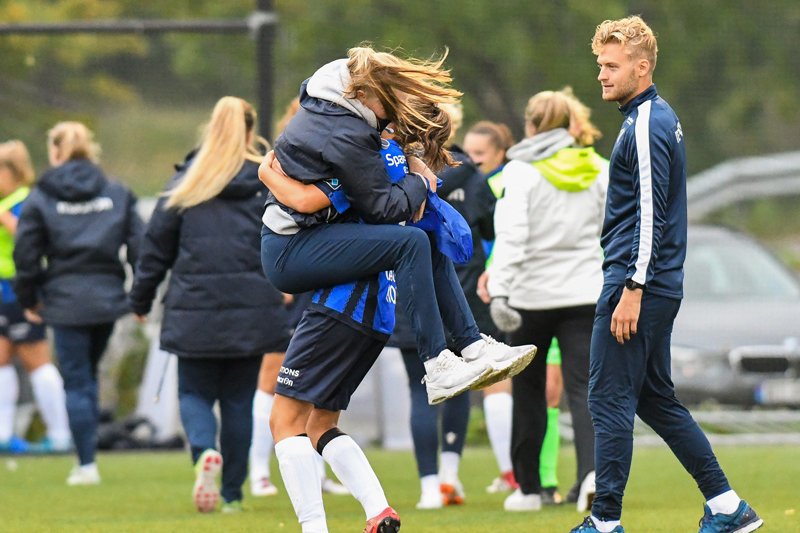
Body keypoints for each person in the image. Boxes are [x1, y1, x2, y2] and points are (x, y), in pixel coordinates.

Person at [259, 45, 536, 407]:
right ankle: (437, 362)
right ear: (362, 92)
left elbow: (351, 193)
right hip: (290, 249)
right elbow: (379, 208)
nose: (395, 108)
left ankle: (471, 345)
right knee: (410, 242)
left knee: (419, 238)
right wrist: (421, 180)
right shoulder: (349, 132)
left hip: (309, 241)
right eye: (391, 97)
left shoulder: (348, 117)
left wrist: (414, 164)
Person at [570, 16, 763, 533]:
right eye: (600, 66)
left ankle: (605, 521)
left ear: (642, 66)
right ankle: (727, 507)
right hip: (653, 284)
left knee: (607, 397)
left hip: (638, 284)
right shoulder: (651, 117)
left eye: (611, 66)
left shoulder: (648, 122)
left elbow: (652, 216)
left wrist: (632, 287)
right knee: (654, 398)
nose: (602, 76)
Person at [261, 110, 458, 533]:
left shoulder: (365, 156)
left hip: (341, 305)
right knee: (320, 424)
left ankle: (314, 528)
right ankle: (379, 510)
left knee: (284, 421)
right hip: (378, 311)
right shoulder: (404, 168)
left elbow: (307, 201)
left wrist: (266, 172)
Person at [128, 97, 289, 513]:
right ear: (250, 133)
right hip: (254, 307)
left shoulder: (187, 182)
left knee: (194, 393)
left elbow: (154, 250)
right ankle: (233, 495)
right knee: (238, 400)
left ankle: (203, 452)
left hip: (193, 308)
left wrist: (140, 298)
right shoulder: (267, 180)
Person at [483, 88, 608, 513]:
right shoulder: (597, 167)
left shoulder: (520, 172)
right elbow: (613, 231)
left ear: (531, 125)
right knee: (585, 390)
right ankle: (593, 475)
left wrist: (500, 289)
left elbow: (512, 238)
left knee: (530, 391)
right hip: (586, 293)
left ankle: (530, 489)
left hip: (529, 298)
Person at [13, 122, 144, 484]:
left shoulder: (41, 196)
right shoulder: (116, 191)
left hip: (64, 301)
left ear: (55, 152)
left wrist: (30, 298)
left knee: (77, 381)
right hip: (106, 301)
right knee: (87, 373)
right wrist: (139, 296)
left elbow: (26, 254)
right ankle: (86, 459)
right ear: (90, 149)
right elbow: (140, 246)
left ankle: (86, 465)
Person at [248, 98, 349, 499]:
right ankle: (259, 471)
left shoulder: (334, 157)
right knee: (274, 379)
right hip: (293, 279)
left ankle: (315, 470)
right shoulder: (282, 162)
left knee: (317, 385)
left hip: (322, 277)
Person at [0, 140, 70, 453]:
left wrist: (8, 222)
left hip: (21, 289)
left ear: (11, 171)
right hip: (1, 289)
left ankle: (59, 434)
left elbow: (34, 243)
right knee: (1, 360)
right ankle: (3, 435)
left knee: (36, 360)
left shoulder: (26, 201)